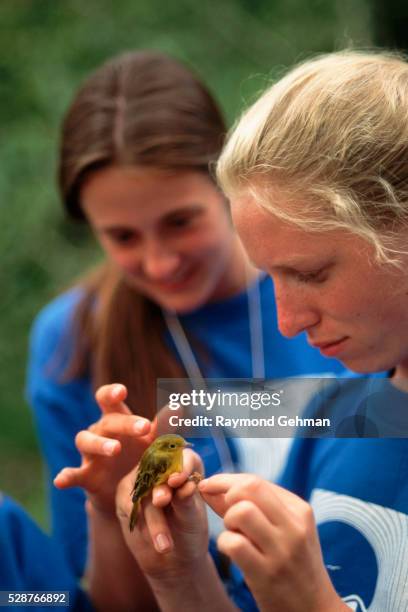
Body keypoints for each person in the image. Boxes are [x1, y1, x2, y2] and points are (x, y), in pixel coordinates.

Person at [26, 49, 346, 581]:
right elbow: (89, 599)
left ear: (227, 182)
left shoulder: (333, 293)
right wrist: (109, 509)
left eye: (180, 222)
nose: (159, 262)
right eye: (122, 237)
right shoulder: (72, 342)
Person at [110, 50, 408, 612]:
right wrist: (183, 574)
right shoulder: (335, 419)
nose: (288, 321)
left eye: (311, 273)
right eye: (268, 277)